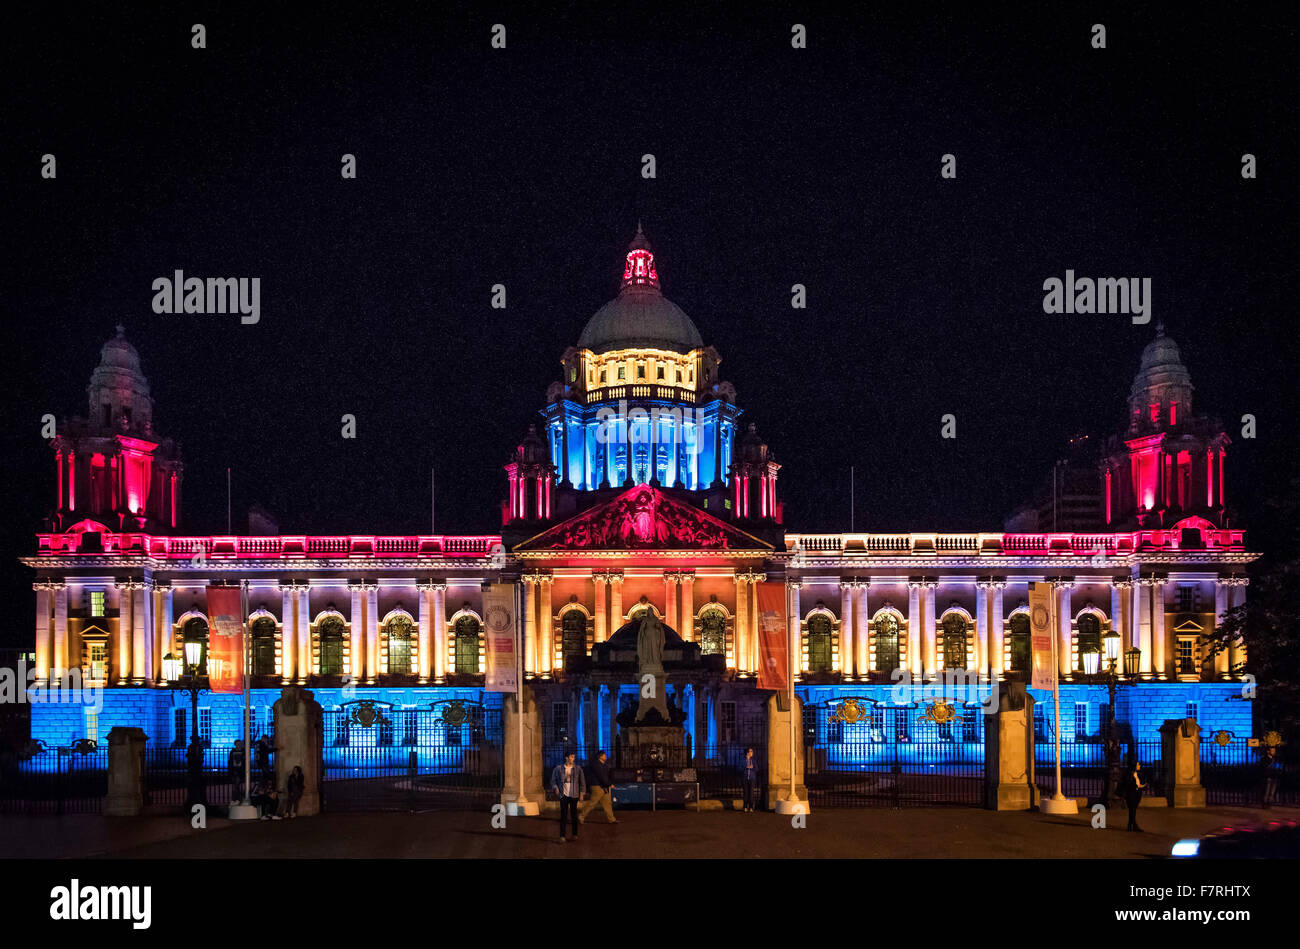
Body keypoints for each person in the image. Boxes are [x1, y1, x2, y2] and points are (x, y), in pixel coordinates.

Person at [551, 750, 586, 842]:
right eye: (571, 757)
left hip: (574, 794)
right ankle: (562, 836)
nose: (573, 759)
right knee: (563, 815)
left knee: (574, 815)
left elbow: (582, 782)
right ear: (566, 757)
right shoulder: (558, 769)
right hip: (564, 794)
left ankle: (575, 834)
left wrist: (582, 793)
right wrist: (556, 788)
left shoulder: (578, 769)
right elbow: (553, 781)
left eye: (573, 757)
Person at [578, 750, 617, 824]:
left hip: (603, 786)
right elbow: (601, 776)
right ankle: (581, 816)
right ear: (600, 756)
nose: (606, 756)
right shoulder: (596, 765)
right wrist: (609, 784)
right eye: (604, 755)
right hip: (597, 786)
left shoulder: (603, 765)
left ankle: (612, 819)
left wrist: (608, 783)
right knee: (592, 803)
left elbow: (605, 776)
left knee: (607, 803)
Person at [1123, 759, 1147, 832]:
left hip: (1137, 794)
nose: (1139, 766)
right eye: (1138, 764)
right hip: (1131, 794)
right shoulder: (1129, 774)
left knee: (1132, 810)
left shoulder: (1139, 774)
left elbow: (1139, 784)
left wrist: (1143, 786)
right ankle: (1134, 826)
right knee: (1132, 809)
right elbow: (1128, 784)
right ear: (1134, 766)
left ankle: (1130, 825)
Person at [742, 747, 758, 813]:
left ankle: (751, 807)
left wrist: (752, 767)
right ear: (747, 752)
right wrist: (746, 767)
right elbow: (739, 768)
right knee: (745, 793)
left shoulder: (753, 760)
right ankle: (745, 806)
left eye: (752, 751)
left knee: (751, 793)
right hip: (745, 778)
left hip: (752, 778)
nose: (752, 753)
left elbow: (757, 768)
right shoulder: (743, 760)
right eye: (751, 751)